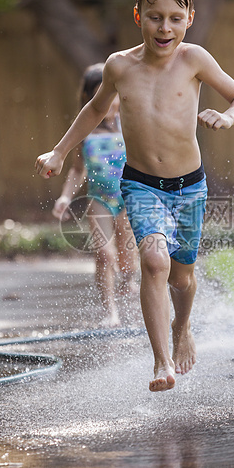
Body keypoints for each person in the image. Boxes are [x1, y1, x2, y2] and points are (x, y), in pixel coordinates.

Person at [35, 0, 234, 392]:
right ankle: (161, 363)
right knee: (154, 262)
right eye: (155, 17)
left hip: (189, 185)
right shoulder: (120, 67)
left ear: (189, 20)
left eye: (176, 18)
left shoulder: (195, 59)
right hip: (139, 183)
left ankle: (182, 327)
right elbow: (95, 110)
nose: (165, 27)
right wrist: (60, 151)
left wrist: (227, 116)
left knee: (183, 277)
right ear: (138, 17)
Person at [52, 63, 137, 328]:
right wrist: (66, 197)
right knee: (104, 255)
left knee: (128, 259)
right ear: (90, 98)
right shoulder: (84, 130)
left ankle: (129, 282)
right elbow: (77, 170)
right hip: (99, 200)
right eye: (100, 93)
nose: (108, 99)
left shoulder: (130, 121)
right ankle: (110, 312)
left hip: (129, 197)